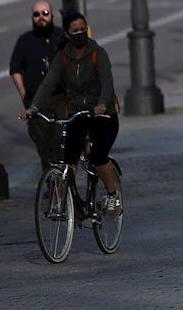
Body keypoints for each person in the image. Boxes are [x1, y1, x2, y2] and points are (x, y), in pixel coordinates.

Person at [23, 13, 122, 214]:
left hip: (103, 115)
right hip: (78, 114)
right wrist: (33, 106)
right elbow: (48, 83)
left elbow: (107, 83)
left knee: (99, 156)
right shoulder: (63, 57)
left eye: (82, 29)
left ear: (87, 29)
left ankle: (112, 196)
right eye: (74, 31)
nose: (79, 33)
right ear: (67, 34)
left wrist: (102, 104)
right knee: (67, 160)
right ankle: (61, 203)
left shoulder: (98, 53)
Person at [9, 0, 63, 109]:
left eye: (45, 13)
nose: (41, 17)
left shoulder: (62, 36)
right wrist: (25, 98)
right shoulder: (24, 40)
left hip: (62, 100)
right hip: (36, 103)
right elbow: (15, 70)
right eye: (36, 14)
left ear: (52, 15)